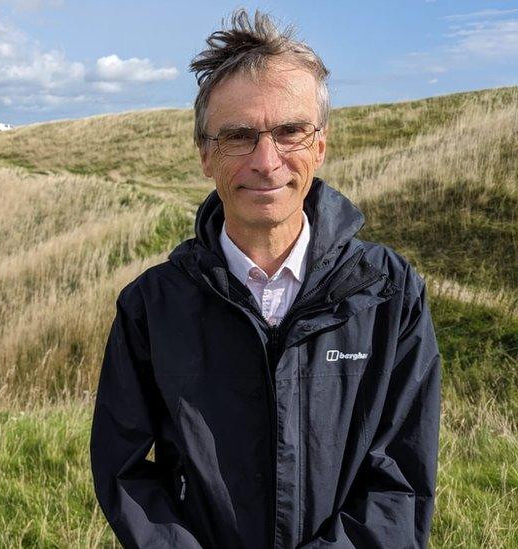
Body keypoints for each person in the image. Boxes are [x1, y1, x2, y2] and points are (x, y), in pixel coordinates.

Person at [90, 9, 440, 548]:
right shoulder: (151, 307)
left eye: (290, 131)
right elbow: (127, 474)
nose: (266, 160)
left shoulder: (390, 295)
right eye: (238, 136)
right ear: (205, 155)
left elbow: (401, 480)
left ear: (320, 145)